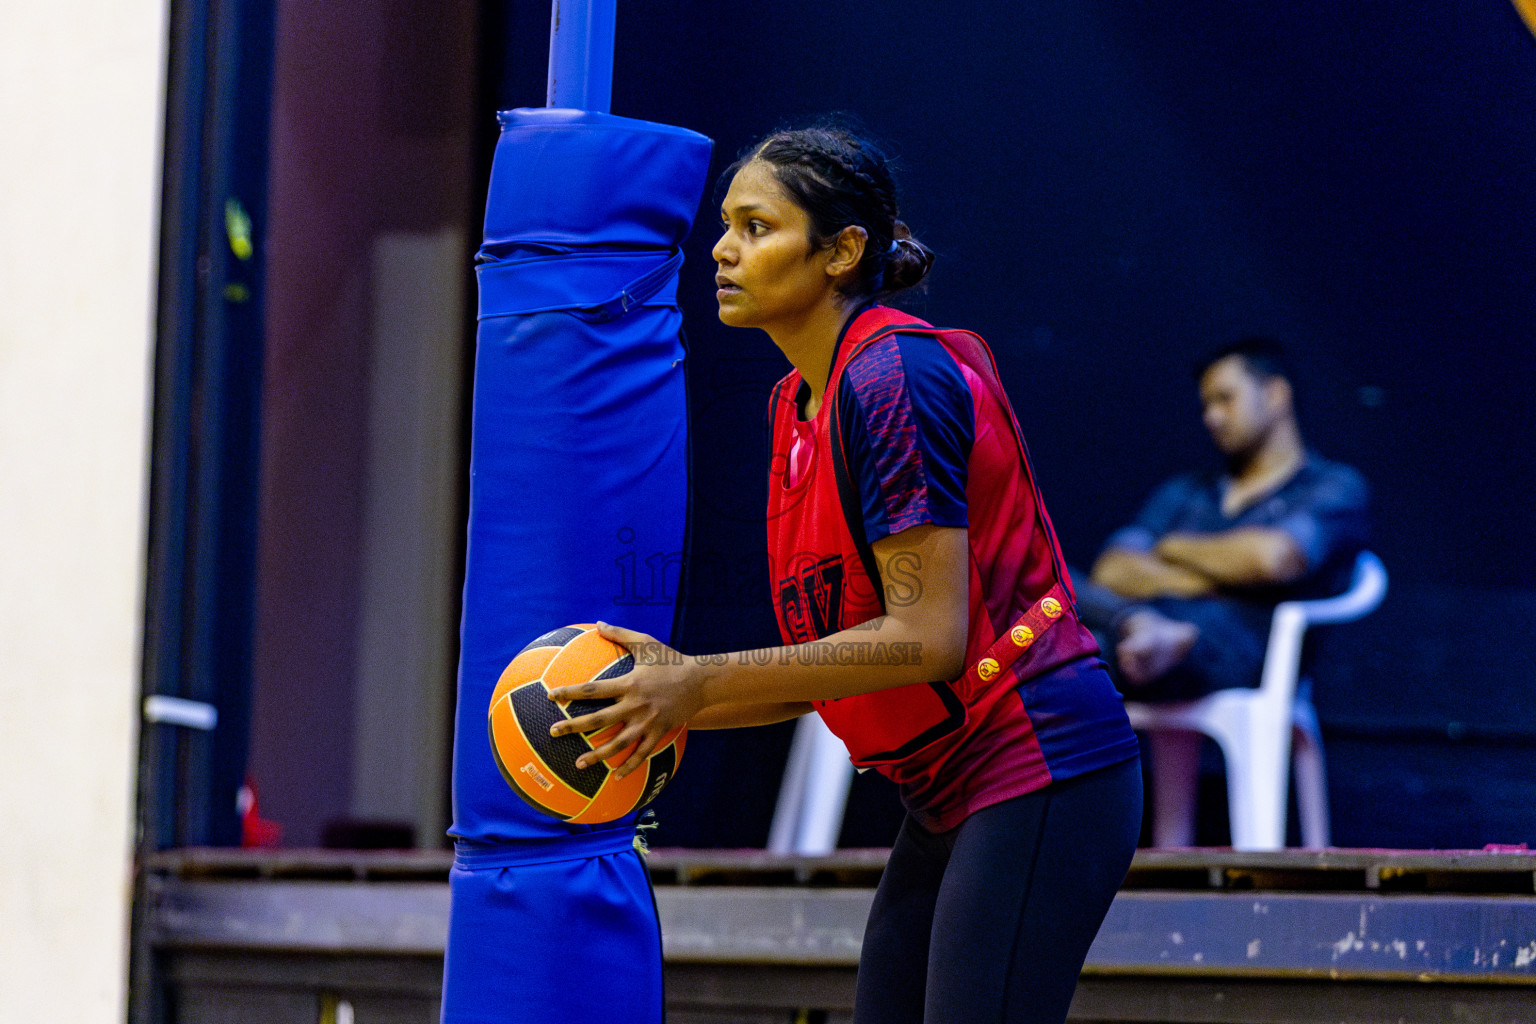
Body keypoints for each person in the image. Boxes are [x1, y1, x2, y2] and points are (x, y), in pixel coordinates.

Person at [545, 123, 1144, 1024]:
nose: (722, 248)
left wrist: (700, 682)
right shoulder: (796, 404)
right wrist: (660, 700)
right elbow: (834, 666)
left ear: (842, 250)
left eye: (757, 226)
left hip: (1038, 761)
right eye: (724, 225)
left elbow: (926, 638)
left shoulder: (894, 378)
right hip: (944, 788)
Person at [1079, 337, 1371, 701]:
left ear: (1276, 394)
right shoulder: (1186, 492)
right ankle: (1142, 627)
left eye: (1225, 399)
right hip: (1134, 632)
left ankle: (1163, 638)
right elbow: (1112, 569)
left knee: (1087, 661)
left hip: (1242, 651)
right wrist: (1213, 577)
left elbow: (1275, 559)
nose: (1211, 417)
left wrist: (1170, 547)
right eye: (1206, 405)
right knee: (1054, 589)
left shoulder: (1331, 485)